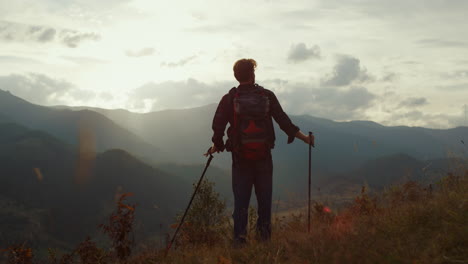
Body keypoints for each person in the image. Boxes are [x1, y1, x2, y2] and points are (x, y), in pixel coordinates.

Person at [205, 58, 314, 245]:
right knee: (264, 202)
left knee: (241, 203)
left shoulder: (229, 99)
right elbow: (283, 121)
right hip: (263, 156)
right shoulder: (267, 96)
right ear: (253, 74)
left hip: (240, 158)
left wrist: (217, 144)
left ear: (236, 76)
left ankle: (240, 242)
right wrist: (304, 138)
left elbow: (218, 125)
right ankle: (264, 240)